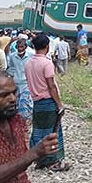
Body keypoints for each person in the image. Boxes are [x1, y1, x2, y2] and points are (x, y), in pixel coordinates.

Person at [25, 34, 70, 172]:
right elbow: (51, 86)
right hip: (48, 102)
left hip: (36, 103)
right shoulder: (47, 63)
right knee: (52, 132)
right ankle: (52, 161)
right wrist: (60, 104)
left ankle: (39, 159)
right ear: (47, 46)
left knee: (38, 131)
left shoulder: (28, 63)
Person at [7, 39, 35, 141]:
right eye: (18, 47)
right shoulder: (13, 56)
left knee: (25, 104)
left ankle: (26, 125)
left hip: (27, 83)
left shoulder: (31, 55)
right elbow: (11, 68)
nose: (20, 49)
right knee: (16, 105)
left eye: (22, 47)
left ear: (25, 47)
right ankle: (19, 125)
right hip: (16, 83)